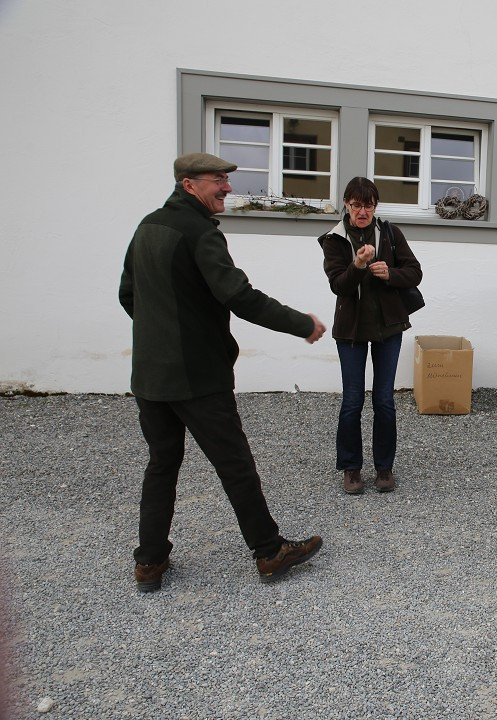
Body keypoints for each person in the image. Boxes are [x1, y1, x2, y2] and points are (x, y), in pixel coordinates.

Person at [119, 152, 327, 592]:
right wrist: (302, 323)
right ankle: (270, 552)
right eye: (218, 180)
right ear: (189, 185)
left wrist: (162, 332)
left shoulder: (147, 227)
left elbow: (128, 296)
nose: (228, 188)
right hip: (197, 375)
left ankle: (150, 562)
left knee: (161, 464)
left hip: (150, 375)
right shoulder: (199, 233)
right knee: (235, 465)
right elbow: (240, 296)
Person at [318, 177, 422, 495]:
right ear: (346, 204)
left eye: (368, 205)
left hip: (388, 329)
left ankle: (384, 468)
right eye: (356, 204)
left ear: (375, 206)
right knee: (352, 401)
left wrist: (391, 273)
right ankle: (351, 469)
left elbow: (415, 271)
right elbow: (339, 285)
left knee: (384, 401)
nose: (362, 211)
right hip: (350, 331)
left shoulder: (390, 233)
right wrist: (359, 265)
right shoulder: (335, 239)